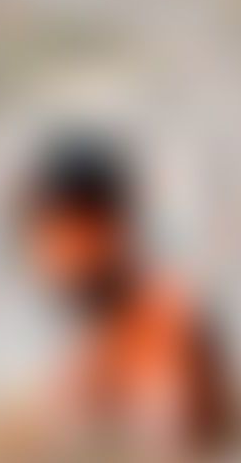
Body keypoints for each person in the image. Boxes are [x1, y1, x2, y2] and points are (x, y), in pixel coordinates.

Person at [21, 138, 231, 458]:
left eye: (64, 234)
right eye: (44, 239)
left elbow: (184, 441)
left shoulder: (169, 325)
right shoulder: (91, 356)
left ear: (111, 227)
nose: (53, 257)